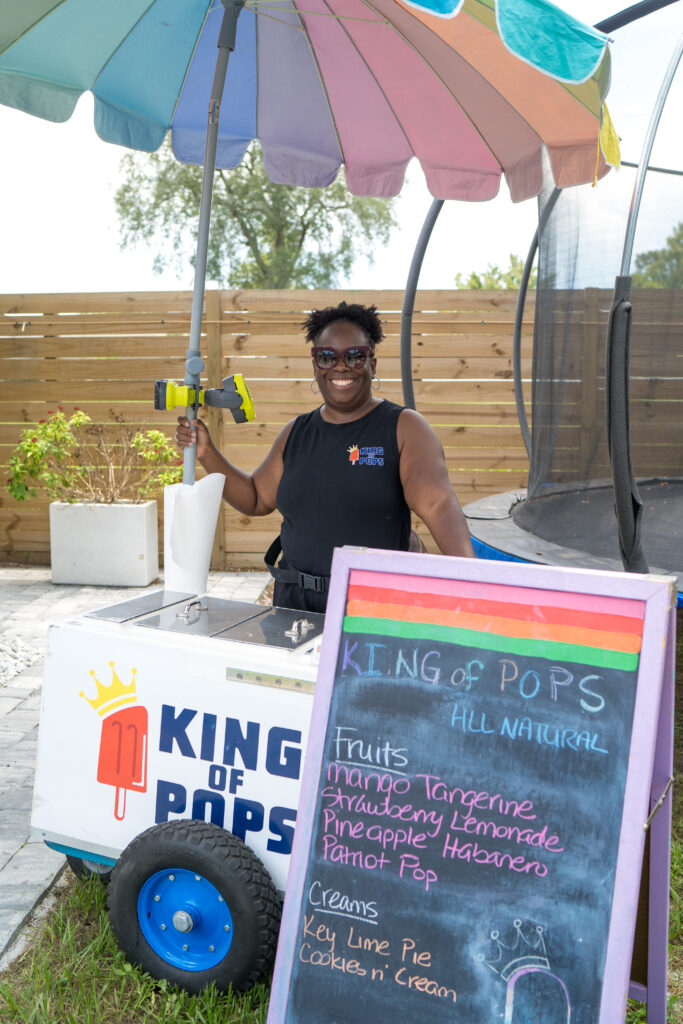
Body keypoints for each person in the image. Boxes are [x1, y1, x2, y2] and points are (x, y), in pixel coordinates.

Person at [176, 301, 474, 613]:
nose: (340, 366)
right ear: (315, 364)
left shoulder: (404, 428)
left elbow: (438, 503)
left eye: (355, 356)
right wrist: (207, 453)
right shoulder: (296, 432)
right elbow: (255, 498)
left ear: (372, 363)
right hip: (294, 607)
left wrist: (474, 578)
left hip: (371, 609)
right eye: (327, 357)